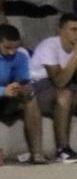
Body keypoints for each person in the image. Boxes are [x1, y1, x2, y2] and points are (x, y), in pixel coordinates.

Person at [29, 13, 77, 164]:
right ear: (60, 30)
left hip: (61, 87)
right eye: (73, 29)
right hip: (38, 88)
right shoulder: (49, 46)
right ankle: (62, 149)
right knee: (64, 94)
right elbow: (59, 81)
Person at [0, 24, 49, 164]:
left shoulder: (20, 56)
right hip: (3, 93)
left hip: (8, 99)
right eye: (7, 47)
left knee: (30, 99)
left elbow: (23, 80)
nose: (11, 52)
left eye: (15, 47)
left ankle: (37, 153)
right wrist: (3, 91)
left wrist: (22, 88)